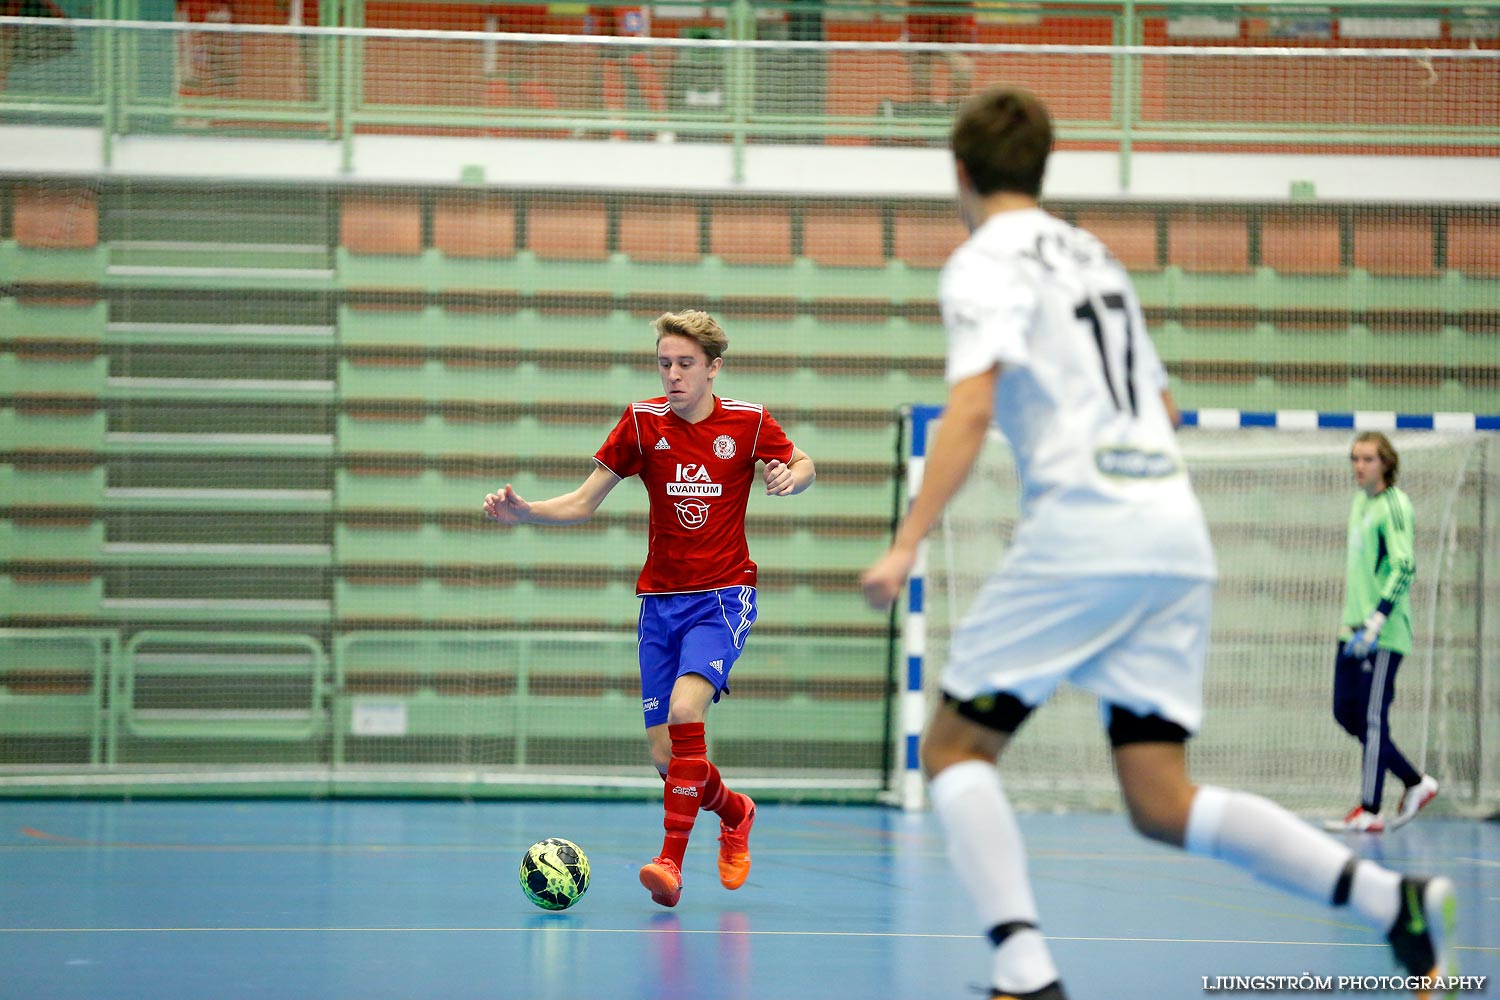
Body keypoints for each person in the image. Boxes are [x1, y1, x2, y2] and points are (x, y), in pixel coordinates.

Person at [858, 87, 1457, 1000]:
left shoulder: (982, 261)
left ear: (962, 175)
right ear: (1043, 167)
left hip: (1084, 531)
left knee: (952, 751)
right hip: (1174, 534)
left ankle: (1025, 972)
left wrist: (905, 545)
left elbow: (972, 405)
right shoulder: (1096, 257)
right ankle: (1389, 900)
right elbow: (1164, 409)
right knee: (1159, 800)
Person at [483, 309, 815, 908]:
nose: (673, 375)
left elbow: (803, 462)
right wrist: (526, 511)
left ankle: (670, 862)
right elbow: (585, 503)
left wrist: (792, 475)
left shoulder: (747, 422)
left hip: (722, 595)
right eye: (664, 363)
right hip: (659, 601)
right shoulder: (641, 423)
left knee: (689, 712)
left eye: (686, 364)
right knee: (666, 757)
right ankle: (735, 811)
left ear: (713, 368)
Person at [1326, 431, 1439, 833]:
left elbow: (1405, 567)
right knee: (1344, 712)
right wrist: (1356, 625)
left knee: (1373, 719)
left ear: (1386, 464)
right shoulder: (1360, 503)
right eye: (1354, 458)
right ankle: (1414, 781)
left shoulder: (1396, 505)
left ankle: (1370, 810)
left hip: (1383, 633)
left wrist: (1376, 622)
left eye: (1368, 459)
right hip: (1351, 630)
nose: (1359, 466)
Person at [904, 0, 975, 107]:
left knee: (963, 68)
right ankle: (923, 107)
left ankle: (954, 108)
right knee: (920, 68)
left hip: (953, 38)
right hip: (922, 37)